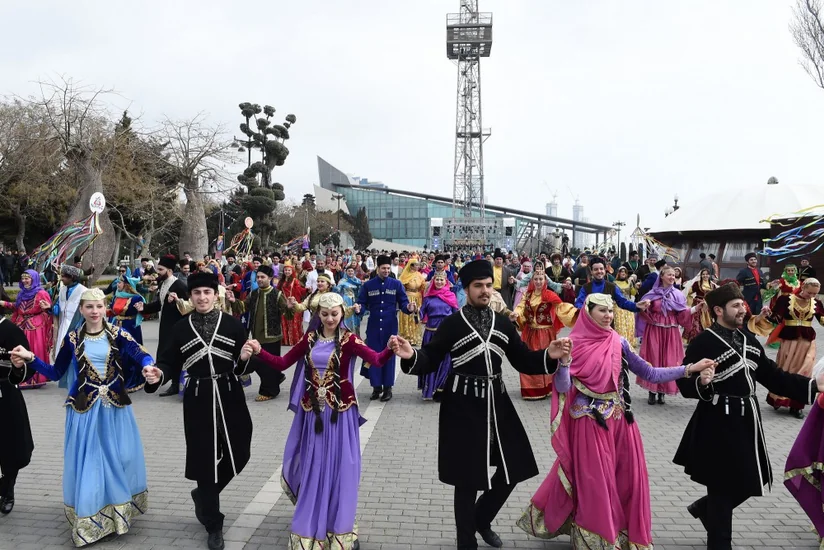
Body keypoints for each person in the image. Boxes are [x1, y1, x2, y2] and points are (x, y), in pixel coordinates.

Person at [389, 259, 572, 550]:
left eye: (488, 285)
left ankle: (481, 517)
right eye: (479, 286)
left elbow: (523, 359)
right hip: (461, 406)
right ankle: (466, 543)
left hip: (497, 404)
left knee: (516, 466)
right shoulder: (452, 323)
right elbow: (430, 359)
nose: (485, 291)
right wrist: (411, 354)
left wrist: (548, 354)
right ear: (466, 288)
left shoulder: (502, 323)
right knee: (467, 479)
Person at [517, 293, 715, 549]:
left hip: (621, 421)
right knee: (595, 484)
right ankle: (596, 537)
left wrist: (689, 369)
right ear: (588, 313)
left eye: (611, 311)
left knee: (626, 480)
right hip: (588, 423)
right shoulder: (571, 343)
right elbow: (563, 386)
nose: (609, 316)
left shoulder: (618, 341)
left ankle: (618, 530)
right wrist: (564, 363)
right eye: (602, 311)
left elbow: (649, 372)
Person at [674, 282, 824, 550]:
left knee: (755, 479)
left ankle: (706, 509)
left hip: (747, 424)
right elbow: (685, 384)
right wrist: (703, 384)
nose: (743, 309)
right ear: (719, 310)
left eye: (742, 304)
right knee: (721, 489)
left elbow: (772, 377)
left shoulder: (748, 340)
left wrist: (812, 386)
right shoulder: (703, 342)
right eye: (736, 306)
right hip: (716, 423)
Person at [245, 293, 393, 550]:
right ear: (318, 315)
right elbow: (282, 363)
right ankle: (311, 524)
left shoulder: (350, 340)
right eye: (324, 314)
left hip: (341, 413)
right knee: (315, 465)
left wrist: (392, 349)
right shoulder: (310, 338)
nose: (330, 318)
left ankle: (339, 528)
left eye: (334, 313)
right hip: (313, 414)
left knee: (340, 467)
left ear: (342, 313)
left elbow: (376, 359)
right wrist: (259, 352)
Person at [11, 288, 155, 547]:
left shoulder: (117, 334)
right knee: (91, 461)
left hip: (115, 408)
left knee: (118, 457)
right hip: (83, 410)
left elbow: (138, 352)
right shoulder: (73, 339)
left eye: (99, 306)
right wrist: (30, 358)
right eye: (89, 307)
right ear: (82, 310)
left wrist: (147, 365)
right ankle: (92, 517)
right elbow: (55, 373)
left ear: (105, 308)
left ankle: (116, 509)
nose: (95, 311)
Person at [142, 272, 256, 550]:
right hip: (197, 396)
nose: (202, 297)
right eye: (197, 293)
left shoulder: (231, 324)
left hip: (230, 393)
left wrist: (243, 358)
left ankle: (205, 494)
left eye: (207, 292)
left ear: (216, 294)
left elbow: (245, 366)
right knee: (205, 460)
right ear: (190, 296)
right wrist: (160, 374)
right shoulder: (180, 328)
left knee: (240, 452)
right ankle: (213, 523)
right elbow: (168, 362)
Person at [749, 278, 824, 418]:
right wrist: (767, 314)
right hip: (789, 341)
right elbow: (776, 319)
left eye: (815, 294)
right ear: (803, 287)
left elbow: (822, 319)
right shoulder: (786, 300)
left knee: (804, 371)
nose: (812, 296)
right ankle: (779, 398)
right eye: (809, 293)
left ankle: (797, 405)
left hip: (807, 343)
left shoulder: (817, 303)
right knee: (786, 369)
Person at [637, 265, 703, 405]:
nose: (672, 277)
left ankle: (662, 392)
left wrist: (695, 309)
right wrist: (645, 306)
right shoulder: (652, 293)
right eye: (669, 275)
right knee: (654, 359)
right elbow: (642, 311)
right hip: (654, 330)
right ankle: (652, 391)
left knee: (668, 360)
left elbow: (682, 313)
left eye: (674, 275)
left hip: (671, 332)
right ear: (662, 276)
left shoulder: (678, 294)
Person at [357, 255, 416, 402]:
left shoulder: (396, 284)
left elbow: (403, 303)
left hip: (390, 326)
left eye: (388, 268)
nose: (386, 271)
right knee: (374, 355)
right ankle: (376, 387)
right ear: (377, 268)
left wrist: (408, 308)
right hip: (374, 326)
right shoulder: (368, 285)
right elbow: (362, 303)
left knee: (389, 356)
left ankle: (388, 388)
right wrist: (359, 309)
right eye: (383, 268)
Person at [227, 264, 290, 401]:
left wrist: (291, 308)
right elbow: (243, 307)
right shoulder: (254, 293)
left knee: (268, 364)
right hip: (257, 335)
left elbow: (287, 313)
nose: (260, 280)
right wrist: (233, 300)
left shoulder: (277, 294)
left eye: (263, 277)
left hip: (272, 336)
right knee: (261, 363)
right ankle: (277, 377)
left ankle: (269, 391)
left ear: (270, 278)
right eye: (258, 277)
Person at [510, 271, 577, 400]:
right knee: (528, 358)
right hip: (530, 333)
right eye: (536, 279)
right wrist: (516, 314)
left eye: (541, 279)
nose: (539, 282)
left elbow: (561, 307)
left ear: (545, 280)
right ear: (532, 281)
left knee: (547, 358)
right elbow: (520, 306)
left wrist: (575, 313)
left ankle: (547, 387)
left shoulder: (550, 295)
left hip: (546, 333)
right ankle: (532, 389)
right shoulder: (527, 295)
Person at [135, 254, 189, 397]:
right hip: (165, 327)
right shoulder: (163, 283)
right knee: (165, 354)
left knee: (176, 355)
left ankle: (176, 384)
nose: (157, 272)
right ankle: (166, 378)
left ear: (169, 270)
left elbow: (188, 308)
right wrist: (144, 308)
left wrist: (177, 302)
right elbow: (160, 304)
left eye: (160, 269)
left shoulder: (180, 286)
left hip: (177, 328)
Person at [0, 315, 35, 515]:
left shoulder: (10, 330)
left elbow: (26, 369)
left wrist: (18, 367)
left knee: (12, 449)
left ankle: (7, 489)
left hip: (5, 396)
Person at [0, 269, 52, 388]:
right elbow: (16, 308)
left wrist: (48, 309)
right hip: (22, 324)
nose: (24, 281)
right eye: (23, 279)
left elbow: (49, 311)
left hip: (35, 326)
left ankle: (35, 378)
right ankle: (22, 376)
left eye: (27, 278)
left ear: (34, 279)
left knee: (34, 350)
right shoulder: (22, 293)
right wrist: (2, 302)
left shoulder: (41, 293)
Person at [418, 271, 460, 400]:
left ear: (446, 282)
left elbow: (456, 315)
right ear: (433, 281)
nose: (439, 282)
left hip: (446, 333)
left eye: (442, 280)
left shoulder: (451, 296)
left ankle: (442, 390)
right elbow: (419, 315)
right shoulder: (428, 298)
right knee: (431, 361)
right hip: (430, 333)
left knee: (446, 362)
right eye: (437, 280)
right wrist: (414, 310)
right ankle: (430, 389)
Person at [106, 271, 147, 391]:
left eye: (120, 282)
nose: (117, 284)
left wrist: (143, 309)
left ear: (126, 284)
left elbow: (144, 312)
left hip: (130, 327)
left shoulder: (136, 298)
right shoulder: (117, 296)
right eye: (118, 282)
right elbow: (113, 312)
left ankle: (131, 379)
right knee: (115, 353)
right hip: (115, 326)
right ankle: (115, 379)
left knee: (129, 353)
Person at [574, 257, 648, 313]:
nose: (599, 271)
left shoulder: (612, 287)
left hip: (607, 324)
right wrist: (587, 310)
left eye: (601, 269)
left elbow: (623, 302)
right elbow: (579, 303)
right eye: (596, 269)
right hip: (590, 324)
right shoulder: (586, 287)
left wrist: (636, 305)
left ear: (605, 270)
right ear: (591, 271)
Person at [52, 265, 87, 367]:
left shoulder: (83, 291)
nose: (61, 279)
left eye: (63, 276)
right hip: (63, 325)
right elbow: (59, 307)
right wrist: (50, 308)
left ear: (71, 277)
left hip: (77, 326)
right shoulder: (63, 290)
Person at [398, 256, 426, 346]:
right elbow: (401, 288)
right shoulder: (405, 276)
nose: (418, 266)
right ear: (411, 266)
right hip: (408, 298)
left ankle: (414, 337)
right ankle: (407, 337)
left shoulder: (419, 275)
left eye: (418, 265)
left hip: (417, 297)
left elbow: (423, 286)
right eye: (416, 265)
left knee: (416, 317)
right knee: (407, 317)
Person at [684, 268, 717, 342]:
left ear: (709, 275)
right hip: (698, 304)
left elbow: (714, 295)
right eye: (703, 274)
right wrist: (693, 301)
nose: (705, 276)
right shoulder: (697, 283)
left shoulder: (712, 285)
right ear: (701, 275)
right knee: (696, 322)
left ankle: (706, 338)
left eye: (707, 274)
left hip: (707, 306)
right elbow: (689, 293)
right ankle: (694, 339)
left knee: (708, 322)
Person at [278, 261, 306, 345]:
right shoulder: (281, 281)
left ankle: (294, 340)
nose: (287, 272)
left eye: (289, 270)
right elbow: (278, 291)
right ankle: (286, 340)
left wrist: (307, 290)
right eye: (285, 270)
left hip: (293, 303)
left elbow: (299, 290)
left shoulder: (295, 281)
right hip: (284, 303)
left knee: (293, 321)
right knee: (284, 321)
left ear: (292, 271)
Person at [612, 266, 638, 347]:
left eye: (624, 272)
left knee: (629, 325)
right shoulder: (614, 283)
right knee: (620, 325)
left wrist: (635, 287)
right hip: (618, 307)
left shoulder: (629, 283)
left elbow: (633, 293)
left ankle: (629, 342)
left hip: (628, 306)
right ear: (618, 273)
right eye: (621, 272)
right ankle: (620, 342)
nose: (623, 273)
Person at [335, 265, 364, 335]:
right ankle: (346, 337)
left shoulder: (358, 280)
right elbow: (337, 290)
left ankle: (356, 336)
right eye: (349, 271)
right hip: (346, 302)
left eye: (352, 271)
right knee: (347, 318)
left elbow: (362, 290)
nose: (350, 272)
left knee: (356, 319)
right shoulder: (342, 281)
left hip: (356, 301)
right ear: (346, 272)